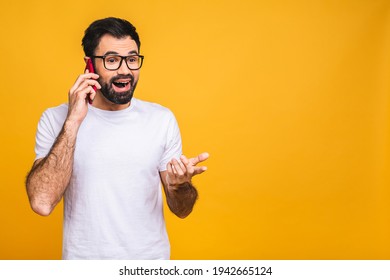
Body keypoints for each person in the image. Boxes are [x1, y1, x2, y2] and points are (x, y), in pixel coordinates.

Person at [25, 17, 209, 260]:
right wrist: (73, 121)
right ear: (89, 65)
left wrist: (180, 185)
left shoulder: (161, 120)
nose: (125, 70)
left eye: (132, 59)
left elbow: (182, 210)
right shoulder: (56, 119)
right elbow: (41, 202)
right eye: (111, 60)